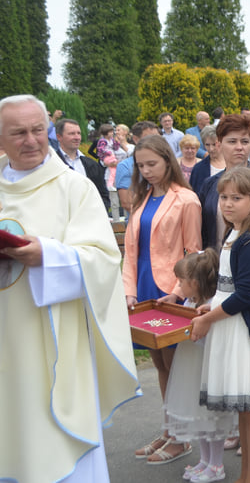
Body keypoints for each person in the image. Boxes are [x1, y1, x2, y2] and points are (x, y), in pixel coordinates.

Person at [0, 95, 138, 483]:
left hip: (53, 340)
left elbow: (104, 259)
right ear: (1, 139)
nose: (31, 140)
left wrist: (48, 255)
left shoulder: (73, 188)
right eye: (18, 133)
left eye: (37, 130)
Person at [191, 167, 250, 483]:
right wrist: (211, 303)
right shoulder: (232, 234)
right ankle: (245, 478)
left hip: (247, 333)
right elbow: (228, 285)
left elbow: (246, 296)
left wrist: (206, 318)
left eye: (237, 198)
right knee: (244, 410)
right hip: (233, 326)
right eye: (223, 197)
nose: (227, 204)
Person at [123, 135, 202, 464]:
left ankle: (182, 438)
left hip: (171, 291)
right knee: (160, 365)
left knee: (176, 366)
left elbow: (193, 252)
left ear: (168, 161)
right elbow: (131, 250)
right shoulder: (140, 200)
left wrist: (179, 293)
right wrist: (129, 289)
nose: (146, 171)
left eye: (152, 164)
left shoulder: (187, 199)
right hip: (143, 290)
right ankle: (170, 429)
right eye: (141, 165)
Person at [163, 249, 237, 483]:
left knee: (211, 417)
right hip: (191, 369)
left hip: (206, 369)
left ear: (194, 283)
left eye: (181, 282)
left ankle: (216, 465)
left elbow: (210, 339)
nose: (179, 286)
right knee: (197, 417)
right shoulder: (189, 301)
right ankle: (204, 460)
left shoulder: (211, 308)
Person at [197, 114, 250, 251]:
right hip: (215, 264)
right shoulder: (210, 184)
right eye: (232, 141)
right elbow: (204, 229)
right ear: (219, 144)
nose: (239, 147)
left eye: (245, 142)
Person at [54, 117, 110, 210]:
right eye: (72, 133)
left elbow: (103, 194)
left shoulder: (91, 164)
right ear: (59, 137)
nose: (77, 137)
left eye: (78, 133)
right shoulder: (52, 164)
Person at [115, 120, 160, 212]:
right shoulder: (125, 166)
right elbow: (127, 203)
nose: (155, 142)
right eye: (149, 138)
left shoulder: (165, 162)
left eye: (157, 138)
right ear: (136, 139)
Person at [189, 125, 226, 194]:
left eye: (214, 144)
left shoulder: (234, 164)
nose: (211, 149)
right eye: (207, 145)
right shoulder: (198, 168)